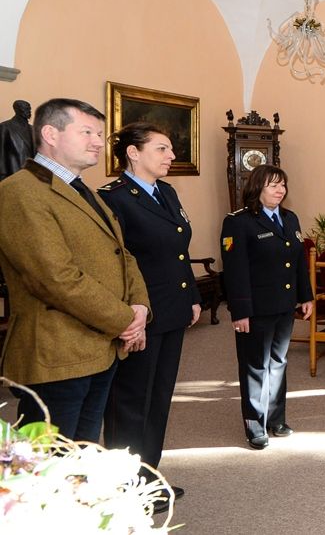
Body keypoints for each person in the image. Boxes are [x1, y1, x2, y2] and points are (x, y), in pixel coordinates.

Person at [0, 98, 149, 442]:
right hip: (56, 354)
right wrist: (125, 319)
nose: (98, 141)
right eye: (87, 132)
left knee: (81, 456)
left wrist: (140, 306)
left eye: (99, 133)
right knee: (49, 467)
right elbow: (55, 278)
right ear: (50, 133)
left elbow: (122, 254)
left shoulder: (85, 191)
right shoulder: (20, 192)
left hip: (98, 348)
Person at [97, 123, 201, 510]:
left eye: (171, 149)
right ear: (133, 154)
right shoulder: (113, 198)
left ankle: (149, 474)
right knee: (130, 401)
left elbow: (178, 249)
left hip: (171, 310)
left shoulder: (167, 192)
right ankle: (125, 483)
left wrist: (191, 294)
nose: (171, 156)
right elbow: (112, 265)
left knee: (159, 397)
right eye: (162, 149)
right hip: (140, 315)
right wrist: (127, 316)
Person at [220, 165, 313, 449]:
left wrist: (306, 296)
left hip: (284, 305)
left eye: (282, 184)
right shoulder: (239, 222)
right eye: (273, 185)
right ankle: (254, 425)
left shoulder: (289, 218)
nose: (280, 190)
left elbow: (298, 261)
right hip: (256, 308)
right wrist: (241, 311)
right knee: (254, 366)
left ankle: (276, 418)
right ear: (257, 187)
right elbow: (235, 271)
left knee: (278, 363)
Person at [0, 99, 35, 180]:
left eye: (29, 109)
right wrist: (2, 174)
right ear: (16, 110)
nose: (28, 111)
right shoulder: (5, 127)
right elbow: (1, 152)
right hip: (13, 171)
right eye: (25, 108)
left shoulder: (32, 129)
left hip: (31, 174)